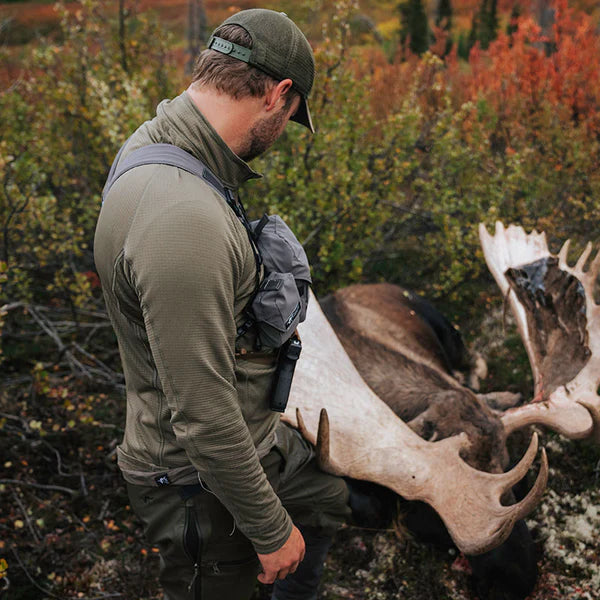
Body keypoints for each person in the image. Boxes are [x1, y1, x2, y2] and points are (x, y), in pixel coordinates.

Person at [94, 8, 350, 600]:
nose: (285, 129)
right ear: (278, 95)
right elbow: (203, 416)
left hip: (243, 435)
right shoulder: (186, 219)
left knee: (331, 496)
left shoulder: (160, 142)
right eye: (291, 114)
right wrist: (268, 528)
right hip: (194, 482)